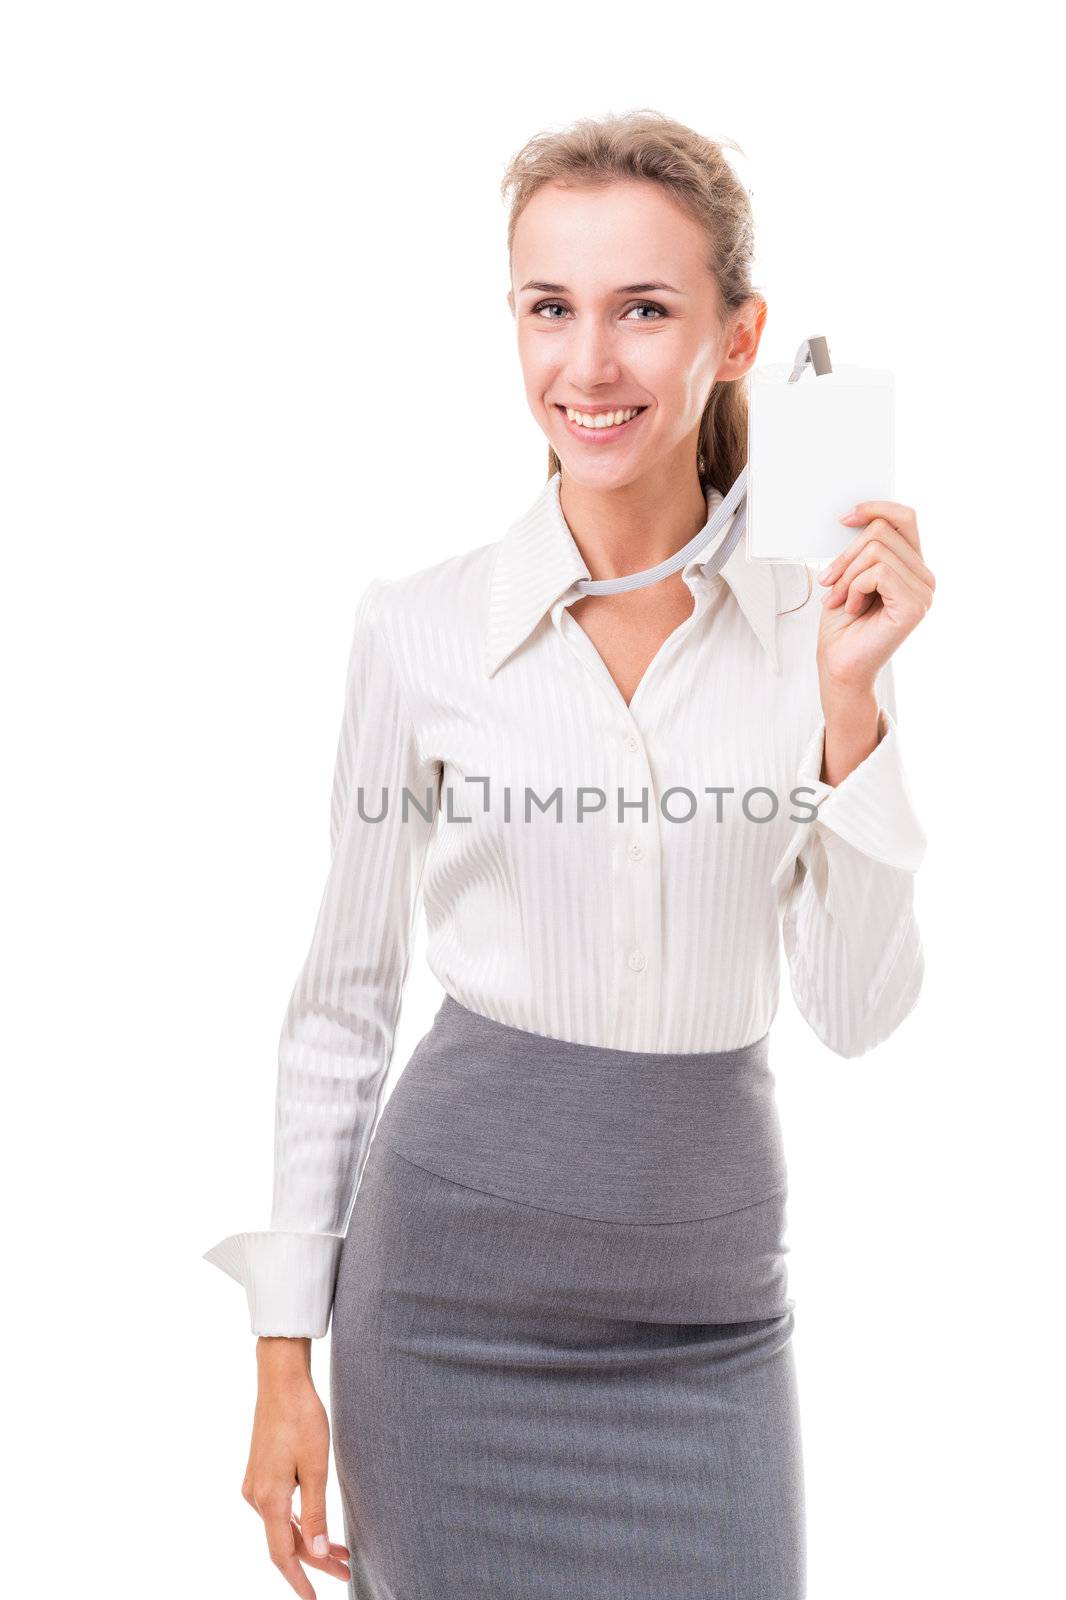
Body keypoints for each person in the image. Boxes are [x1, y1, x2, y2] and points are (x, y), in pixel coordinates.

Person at [203, 108, 934, 1600]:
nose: (588, 367)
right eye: (551, 309)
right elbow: (341, 1004)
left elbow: (856, 1015)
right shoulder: (416, 629)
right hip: (447, 1310)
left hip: (712, 1318)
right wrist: (287, 1351)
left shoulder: (821, 623)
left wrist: (853, 716)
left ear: (740, 338)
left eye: (644, 311)